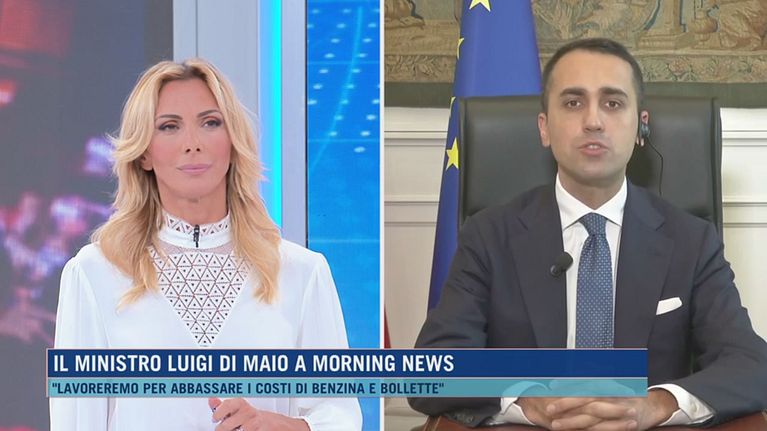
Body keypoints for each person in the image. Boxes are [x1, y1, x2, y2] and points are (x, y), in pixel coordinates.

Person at [409, 38, 767, 430]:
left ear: (640, 127)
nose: (593, 121)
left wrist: (656, 404)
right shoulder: (489, 236)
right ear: (544, 128)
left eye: (612, 103)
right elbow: (430, 368)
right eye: (573, 103)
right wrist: (523, 398)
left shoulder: (692, 241)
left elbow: (751, 364)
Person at [50, 59, 362, 431]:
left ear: (233, 141)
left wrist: (282, 425)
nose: (193, 144)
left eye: (210, 123)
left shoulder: (302, 272)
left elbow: (339, 414)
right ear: (144, 152)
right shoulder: (94, 273)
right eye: (169, 127)